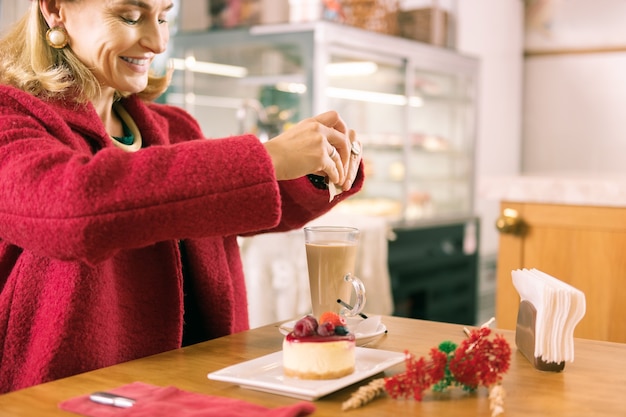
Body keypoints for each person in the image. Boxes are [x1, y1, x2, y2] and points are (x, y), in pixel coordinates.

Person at [0, 0, 364, 393]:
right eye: (130, 16)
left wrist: (320, 166)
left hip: (201, 390)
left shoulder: (175, 127)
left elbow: (239, 204)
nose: (157, 42)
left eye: (162, 17)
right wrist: (268, 157)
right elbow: (73, 207)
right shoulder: (11, 116)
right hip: (65, 400)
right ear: (55, 9)